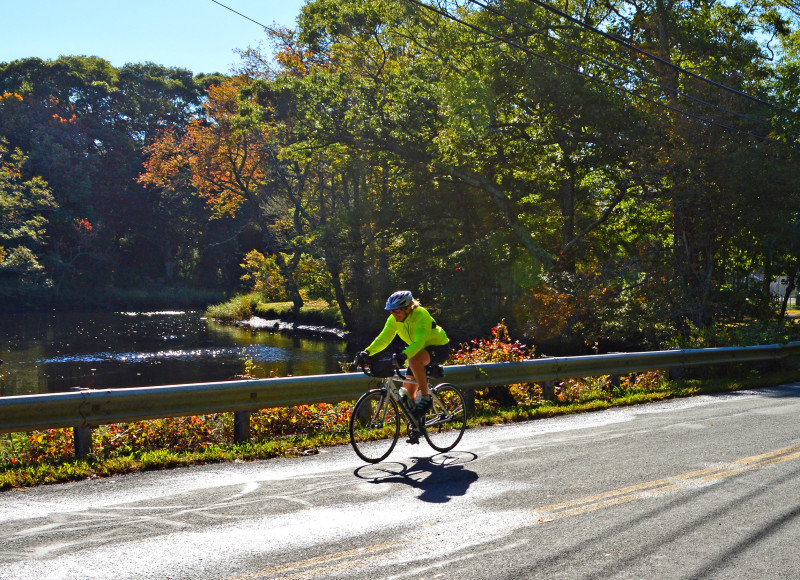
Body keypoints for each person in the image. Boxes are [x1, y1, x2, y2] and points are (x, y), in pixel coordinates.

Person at [360, 290, 450, 443]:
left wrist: (404, 355)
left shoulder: (421, 315)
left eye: (396, 310)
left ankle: (426, 397)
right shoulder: (393, 320)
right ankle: (417, 426)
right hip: (417, 352)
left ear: (409, 307)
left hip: (438, 347)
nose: (394, 314)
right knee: (406, 394)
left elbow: (419, 342)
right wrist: (366, 352)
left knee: (414, 360)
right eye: (391, 311)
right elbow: (383, 339)